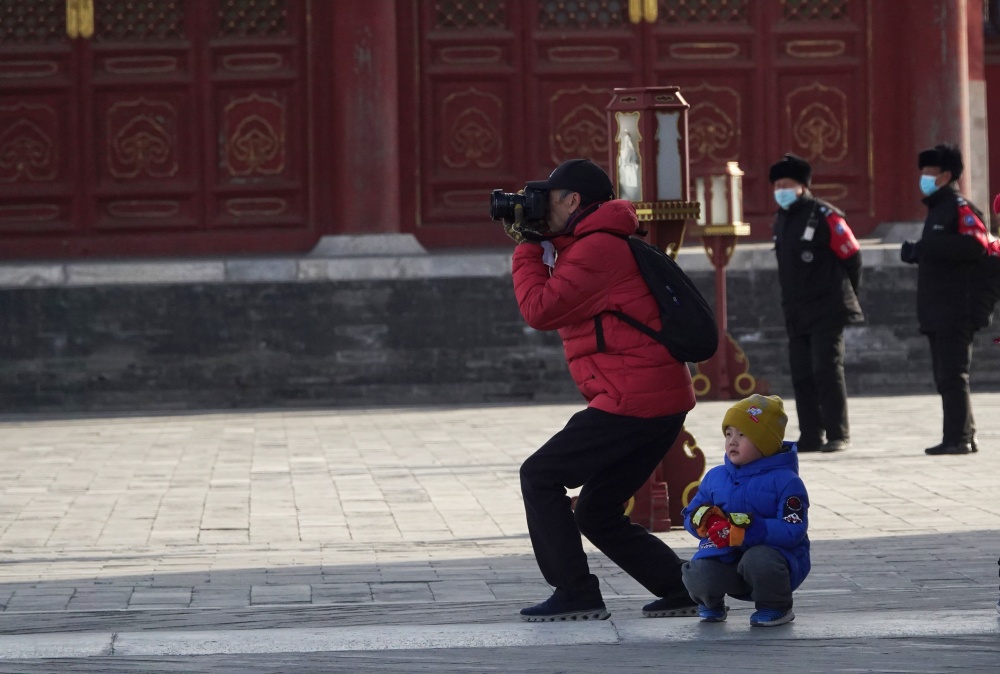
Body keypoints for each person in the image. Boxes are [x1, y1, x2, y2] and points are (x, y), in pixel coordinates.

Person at [506, 158, 699, 621]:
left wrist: (527, 249)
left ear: (573, 201)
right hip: (654, 397)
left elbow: (540, 308)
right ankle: (682, 588)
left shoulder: (598, 250)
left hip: (636, 397)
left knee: (540, 475)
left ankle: (575, 592)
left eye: (548, 200)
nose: (540, 208)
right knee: (595, 509)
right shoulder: (595, 243)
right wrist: (545, 240)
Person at [680, 394, 810, 627]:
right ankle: (711, 602)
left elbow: (793, 529)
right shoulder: (715, 477)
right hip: (725, 554)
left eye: (742, 435)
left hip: (772, 560)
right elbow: (692, 511)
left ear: (765, 442)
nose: (732, 441)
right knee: (697, 569)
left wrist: (749, 530)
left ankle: (775, 605)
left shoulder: (786, 481)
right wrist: (702, 521)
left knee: (759, 560)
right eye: (728, 433)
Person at [769, 154, 863, 454]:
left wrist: (846, 294)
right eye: (777, 185)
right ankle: (811, 435)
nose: (780, 190)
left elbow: (852, 255)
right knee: (801, 373)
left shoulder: (824, 215)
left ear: (802, 186)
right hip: (796, 310)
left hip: (827, 307)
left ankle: (838, 433)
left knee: (827, 369)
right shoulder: (782, 219)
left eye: (787, 184)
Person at [900, 144, 990, 455]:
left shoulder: (959, 207)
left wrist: (927, 248)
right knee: (945, 375)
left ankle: (960, 438)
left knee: (953, 374)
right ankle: (961, 434)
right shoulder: (937, 209)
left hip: (957, 307)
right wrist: (918, 251)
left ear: (946, 176)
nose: (923, 178)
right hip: (936, 307)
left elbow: (978, 244)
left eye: (929, 173)